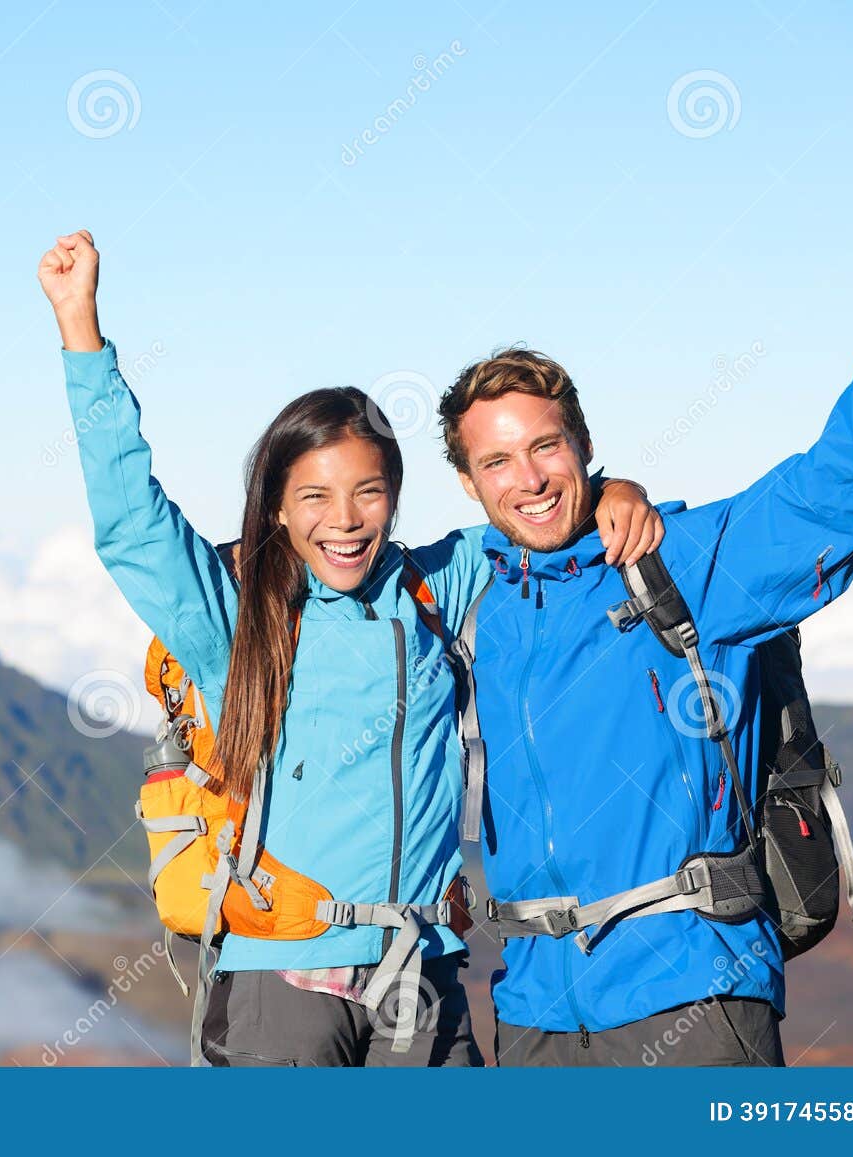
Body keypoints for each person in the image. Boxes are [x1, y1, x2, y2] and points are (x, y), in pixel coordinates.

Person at [37, 229, 663, 1066]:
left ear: (397, 498)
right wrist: (82, 331)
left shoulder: (441, 585)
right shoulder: (237, 618)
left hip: (423, 977)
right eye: (316, 496)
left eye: (368, 491)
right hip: (280, 979)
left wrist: (613, 487)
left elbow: (535, 511)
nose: (344, 518)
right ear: (277, 509)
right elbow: (130, 523)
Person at [440, 184, 853, 1065]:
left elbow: (840, 487)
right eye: (496, 460)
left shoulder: (683, 560)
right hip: (535, 1012)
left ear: (581, 441)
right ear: (469, 483)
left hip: (694, 995)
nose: (529, 479)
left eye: (545, 446)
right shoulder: (471, 602)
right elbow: (329, 567)